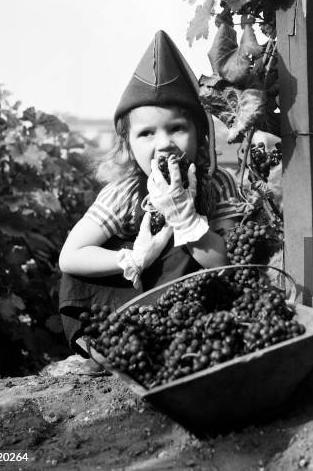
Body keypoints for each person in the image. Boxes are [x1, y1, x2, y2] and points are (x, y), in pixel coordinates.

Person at [58, 30, 240, 355]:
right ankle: (110, 346)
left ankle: (181, 346)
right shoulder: (124, 192)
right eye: (146, 134)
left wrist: (186, 220)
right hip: (134, 305)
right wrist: (132, 258)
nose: (163, 143)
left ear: (201, 135)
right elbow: (70, 256)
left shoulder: (217, 183)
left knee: (188, 254)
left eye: (177, 128)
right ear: (128, 146)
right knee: (75, 280)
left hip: (190, 308)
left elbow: (228, 265)